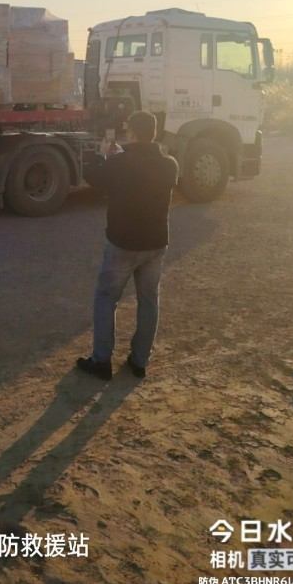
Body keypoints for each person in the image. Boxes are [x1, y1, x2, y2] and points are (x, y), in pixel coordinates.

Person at [77, 110, 179, 381]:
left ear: (131, 133)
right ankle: (139, 361)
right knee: (149, 301)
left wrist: (102, 155)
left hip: (122, 243)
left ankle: (101, 361)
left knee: (106, 298)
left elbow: (93, 177)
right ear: (154, 133)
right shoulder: (169, 164)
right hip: (156, 243)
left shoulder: (118, 163)